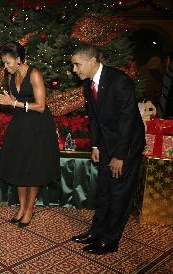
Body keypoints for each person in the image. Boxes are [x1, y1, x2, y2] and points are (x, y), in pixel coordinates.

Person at [70, 45, 145, 255]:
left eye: (77, 64)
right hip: (105, 144)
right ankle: (96, 232)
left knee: (119, 193)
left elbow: (127, 122)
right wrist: (96, 145)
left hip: (126, 146)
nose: (74, 69)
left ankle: (110, 240)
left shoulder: (120, 82)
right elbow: (94, 118)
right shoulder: (88, 83)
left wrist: (119, 156)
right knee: (104, 190)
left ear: (93, 61)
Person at [0, 41, 60, 228]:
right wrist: (7, 100)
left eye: (8, 62)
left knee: (33, 167)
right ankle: (21, 208)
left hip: (38, 125)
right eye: (4, 63)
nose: (5, 67)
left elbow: (41, 106)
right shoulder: (12, 77)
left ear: (19, 59)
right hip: (20, 124)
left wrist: (13, 103)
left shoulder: (35, 74)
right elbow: (16, 100)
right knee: (19, 165)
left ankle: (30, 209)